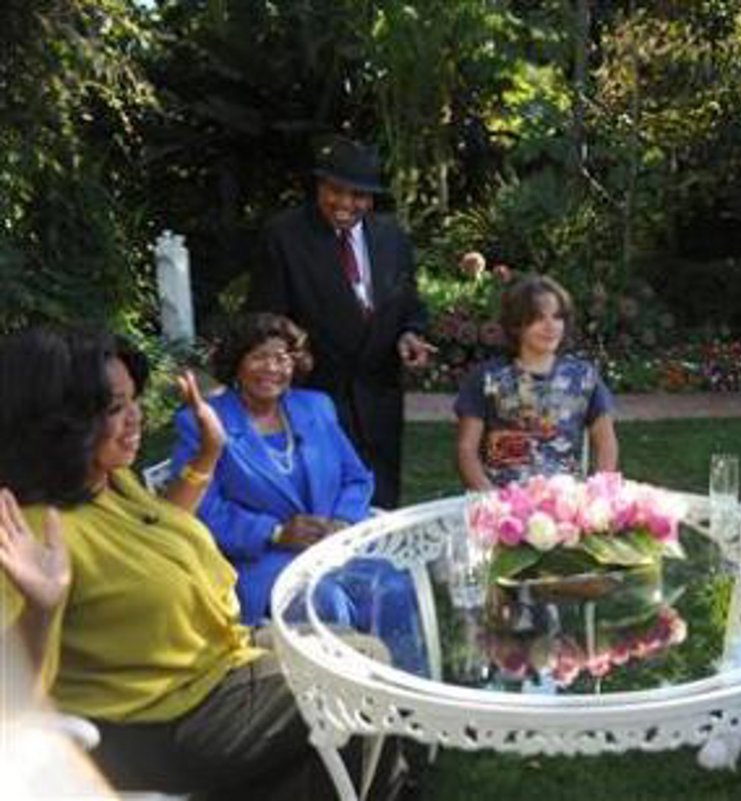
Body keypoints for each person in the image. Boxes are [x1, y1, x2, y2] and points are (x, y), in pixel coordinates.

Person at [0, 326, 414, 799]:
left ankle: (374, 785)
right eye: (115, 407)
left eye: (134, 400)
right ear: (57, 421)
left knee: (360, 653)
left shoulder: (107, 482)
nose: (136, 417)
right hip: (163, 719)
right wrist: (41, 608)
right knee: (360, 680)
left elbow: (158, 532)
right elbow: (11, 699)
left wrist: (207, 457)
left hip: (217, 663)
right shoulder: (27, 531)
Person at [167, 313, 426, 673]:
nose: (272, 368)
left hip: (332, 546)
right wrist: (275, 532)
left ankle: (403, 689)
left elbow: (356, 478)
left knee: (394, 585)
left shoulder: (315, 407)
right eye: (259, 357)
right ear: (236, 364)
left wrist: (342, 521)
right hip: (261, 560)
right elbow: (203, 510)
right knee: (324, 601)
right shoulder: (204, 422)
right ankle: (339, 699)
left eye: (282, 358)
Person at [248, 135, 435, 509]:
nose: (346, 203)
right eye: (336, 190)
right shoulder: (284, 236)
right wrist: (291, 356)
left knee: (381, 511)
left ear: (372, 198)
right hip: (316, 400)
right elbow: (264, 320)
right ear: (319, 186)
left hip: (380, 403)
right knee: (326, 514)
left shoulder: (392, 238)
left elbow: (408, 304)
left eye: (359, 195)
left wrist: (410, 334)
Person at [454, 274, 618, 489]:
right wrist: (490, 498)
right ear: (516, 325)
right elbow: (466, 449)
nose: (551, 326)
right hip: (503, 498)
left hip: (565, 499)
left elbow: (606, 444)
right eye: (539, 318)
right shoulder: (486, 377)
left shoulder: (584, 377)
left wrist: (597, 493)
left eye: (557, 317)